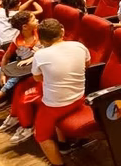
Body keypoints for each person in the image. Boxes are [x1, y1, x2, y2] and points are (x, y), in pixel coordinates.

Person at [30, 19, 90, 165]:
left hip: (56, 106)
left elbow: (37, 78)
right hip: (80, 97)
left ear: (41, 39)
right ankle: (63, 145)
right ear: (62, 32)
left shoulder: (40, 55)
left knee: (41, 136)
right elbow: (87, 64)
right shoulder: (79, 46)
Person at [0, 10, 40, 113]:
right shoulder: (17, 40)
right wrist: (2, 73)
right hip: (21, 65)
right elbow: (6, 57)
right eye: (33, 19)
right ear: (25, 27)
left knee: (14, 78)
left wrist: (31, 58)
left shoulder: (39, 32)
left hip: (37, 64)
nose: (37, 20)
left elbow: (47, 50)